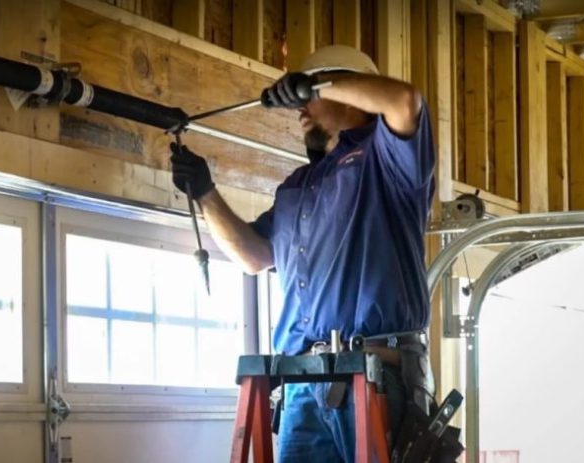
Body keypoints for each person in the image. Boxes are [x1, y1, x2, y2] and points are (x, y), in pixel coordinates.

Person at [170, 45, 435, 462]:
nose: (300, 108)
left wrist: (319, 84)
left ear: (349, 92)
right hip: (302, 384)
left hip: (375, 376)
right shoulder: (298, 186)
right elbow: (253, 257)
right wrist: (205, 193)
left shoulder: (385, 161)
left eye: (310, 94)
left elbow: (404, 101)